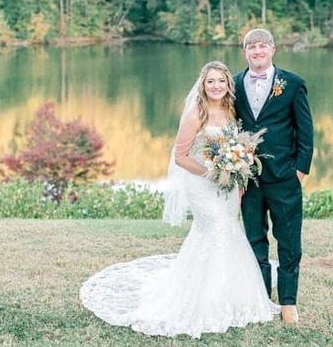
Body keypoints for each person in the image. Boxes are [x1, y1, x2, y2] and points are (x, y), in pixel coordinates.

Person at [80, 61, 279, 338]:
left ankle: (232, 297)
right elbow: (180, 156)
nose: (216, 86)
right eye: (211, 81)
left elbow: (238, 148)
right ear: (203, 84)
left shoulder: (230, 110)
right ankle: (204, 301)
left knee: (230, 230)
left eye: (221, 81)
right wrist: (211, 171)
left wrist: (236, 173)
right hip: (202, 184)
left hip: (227, 188)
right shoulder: (196, 113)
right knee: (215, 229)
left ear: (227, 85)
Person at [233, 28, 314, 324]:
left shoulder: (292, 84)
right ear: (245, 53)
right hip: (247, 178)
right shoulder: (234, 84)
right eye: (251, 47)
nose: (257, 51)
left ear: (273, 50)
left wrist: (300, 171)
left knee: (289, 238)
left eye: (262, 46)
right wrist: (234, 171)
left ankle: (289, 301)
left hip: (284, 177)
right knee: (255, 238)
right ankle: (262, 296)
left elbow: (306, 131)